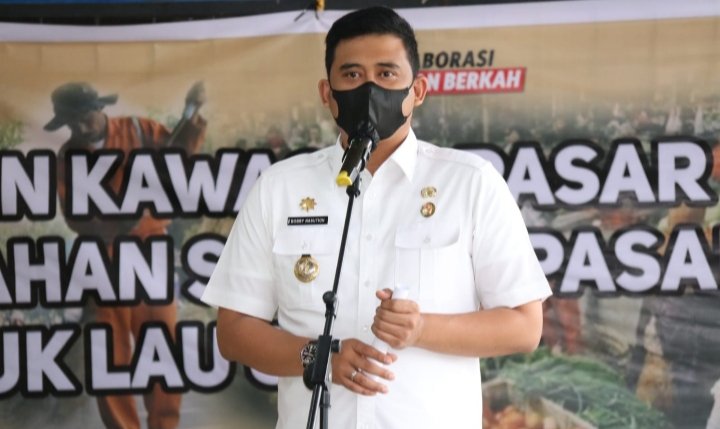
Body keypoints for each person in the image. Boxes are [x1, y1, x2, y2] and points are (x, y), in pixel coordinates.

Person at [202, 7, 550, 429]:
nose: (369, 88)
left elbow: (524, 326)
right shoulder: (280, 188)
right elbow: (234, 330)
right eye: (351, 75)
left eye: (386, 74)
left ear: (417, 90)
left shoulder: (471, 183)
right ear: (327, 93)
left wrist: (421, 328)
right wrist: (318, 357)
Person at [46, 81, 207, 429]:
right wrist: (114, 222)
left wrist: (191, 111)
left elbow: (180, 154)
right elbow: (73, 216)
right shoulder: (66, 157)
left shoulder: (139, 128)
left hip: (151, 249)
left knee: (162, 344)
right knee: (109, 351)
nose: (80, 127)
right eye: (71, 122)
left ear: (99, 108)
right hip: (102, 257)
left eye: (84, 117)